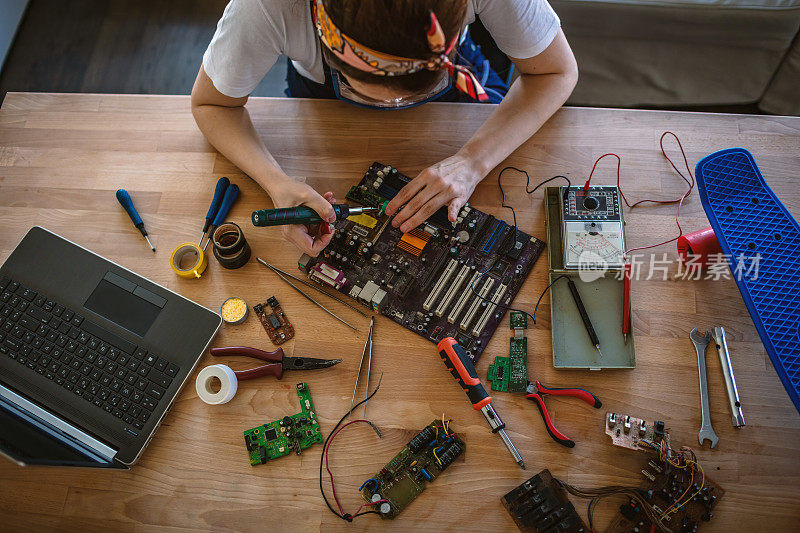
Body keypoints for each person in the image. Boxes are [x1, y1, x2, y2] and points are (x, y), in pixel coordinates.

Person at [192, 0, 578, 256]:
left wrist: (473, 161)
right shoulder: (267, 7)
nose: (394, 108)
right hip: (322, 109)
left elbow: (555, 71)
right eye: (371, 93)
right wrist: (275, 181)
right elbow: (212, 104)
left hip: (461, 116)